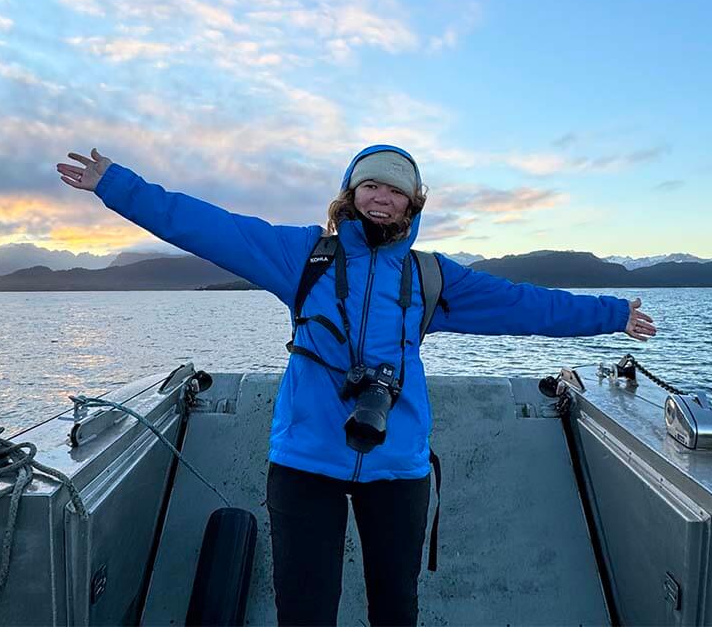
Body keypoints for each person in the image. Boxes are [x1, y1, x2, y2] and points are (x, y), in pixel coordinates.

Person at [56, 144, 656, 627]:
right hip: (305, 461)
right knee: (305, 609)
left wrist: (610, 313)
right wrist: (118, 185)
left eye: (396, 189)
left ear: (412, 205)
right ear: (350, 193)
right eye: (371, 185)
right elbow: (207, 226)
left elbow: (526, 305)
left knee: (396, 609)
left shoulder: (430, 276)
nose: (381, 197)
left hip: (397, 466)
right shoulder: (302, 256)